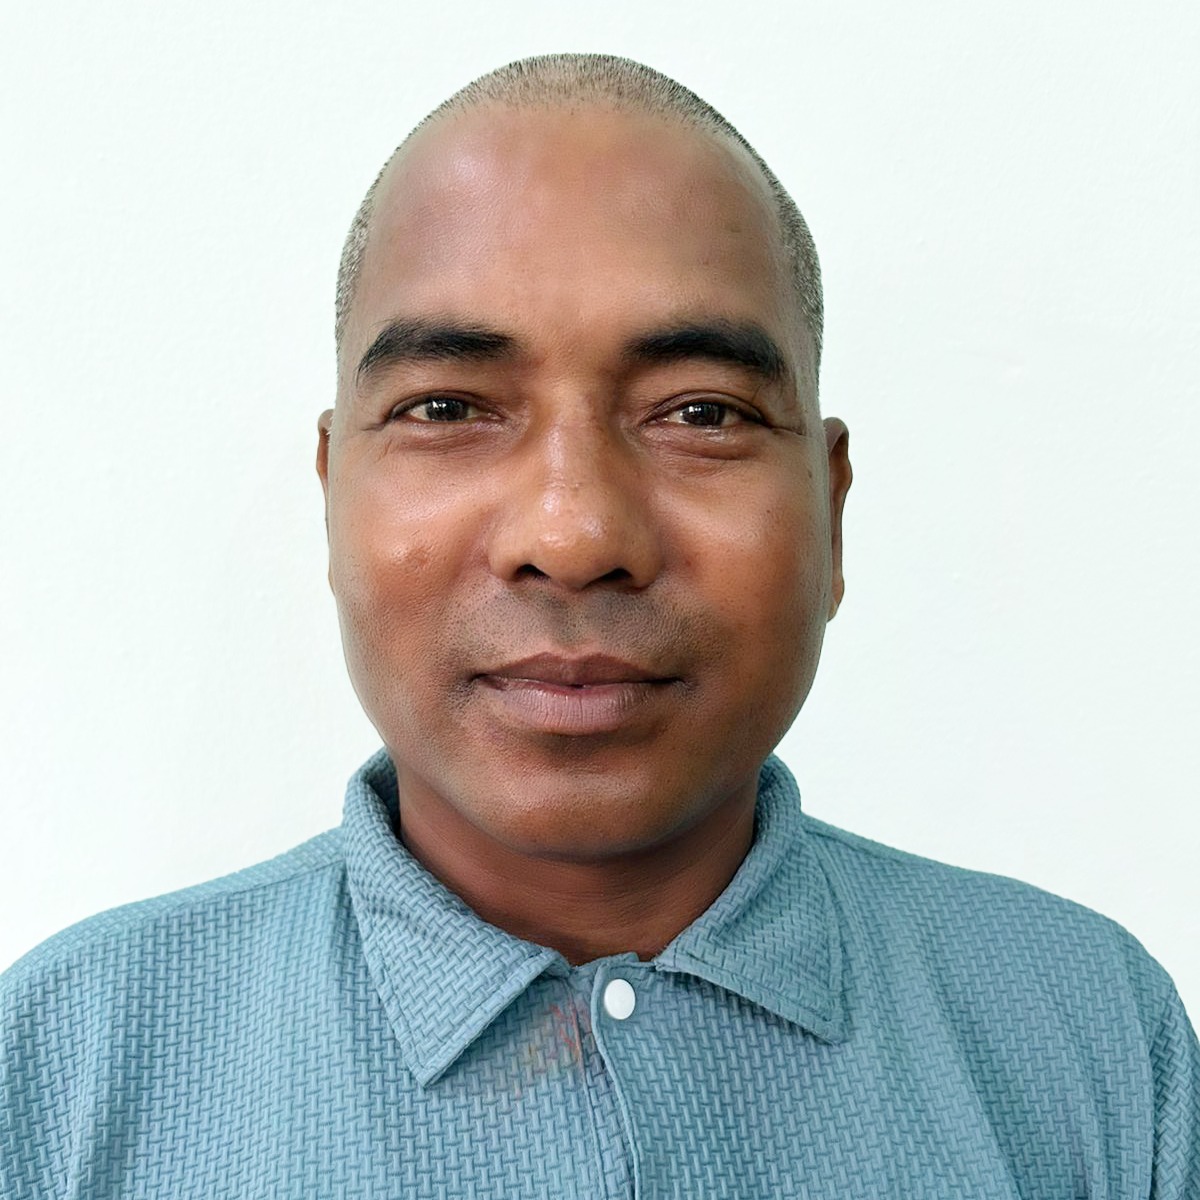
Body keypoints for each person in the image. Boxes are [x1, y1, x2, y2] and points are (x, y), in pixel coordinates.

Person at [2, 51, 1196, 1198]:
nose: (573, 534)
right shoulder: (60, 1071)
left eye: (701, 412)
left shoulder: (1093, 1041)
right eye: (447, 407)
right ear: (333, 499)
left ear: (832, 514)